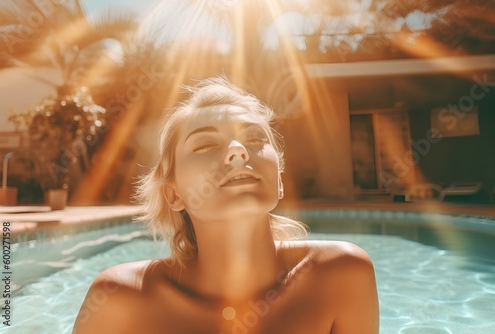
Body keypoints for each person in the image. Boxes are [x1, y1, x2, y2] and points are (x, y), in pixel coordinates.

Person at [73, 77, 379, 334]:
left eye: (255, 138)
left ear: (280, 181)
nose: (238, 152)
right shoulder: (120, 299)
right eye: (205, 144)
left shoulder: (342, 275)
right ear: (174, 195)